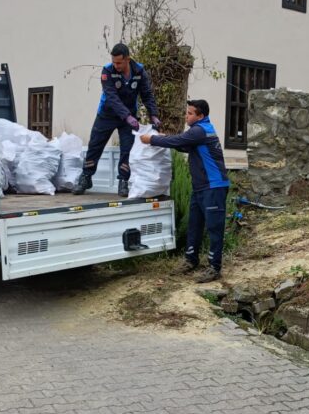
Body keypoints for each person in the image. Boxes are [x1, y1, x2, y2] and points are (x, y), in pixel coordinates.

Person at [139, 99, 229, 283]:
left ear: (200, 116)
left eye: (190, 113)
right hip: (201, 187)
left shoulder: (201, 130)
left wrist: (153, 139)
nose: (186, 116)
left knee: (214, 227)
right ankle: (191, 260)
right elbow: (182, 145)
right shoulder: (198, 132)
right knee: (194, 224)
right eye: (186, 112)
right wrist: (162, 138)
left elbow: (179, 140)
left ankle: (214, 267)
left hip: (214, 187)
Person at [73, 43, 161, 197]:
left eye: (119, 62)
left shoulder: (139, 71)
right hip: (107, 114)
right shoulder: (107, 71)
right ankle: (86, 177)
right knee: (95, 145)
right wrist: (126, 115)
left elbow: (146, 94)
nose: (116, 65)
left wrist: (153, 114)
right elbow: (111, 97)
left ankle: (123, 182)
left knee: (127, 149)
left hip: (129, 118)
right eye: (114, 62)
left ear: (127, 59)